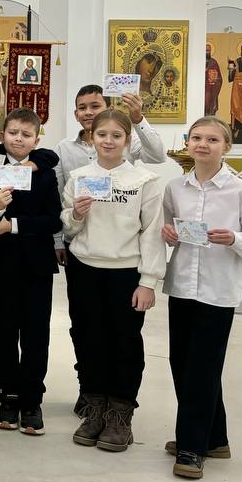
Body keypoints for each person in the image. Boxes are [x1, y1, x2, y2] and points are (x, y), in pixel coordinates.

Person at [161, 116, 242, 479]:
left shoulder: (241, 191)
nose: (202, 145)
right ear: (187, 143)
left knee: (202, 370)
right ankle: (216, 438)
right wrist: (168, 234)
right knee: (181, 363)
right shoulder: (175, 188)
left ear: (226, 147)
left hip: (218, 290)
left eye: (211, 139)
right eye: (196, 138)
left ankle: (192, 448)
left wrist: (234, 239)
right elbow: (168, 228)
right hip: (182, 286)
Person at [54, 85, 166, 412]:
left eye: (116, 136)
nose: (108, 141)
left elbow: (152, 233)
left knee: (125, 340)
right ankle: (92, 401)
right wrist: (75, 215)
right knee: (87, 336)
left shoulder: (144, 181)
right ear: (92, 138)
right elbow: (68, 224)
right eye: (101, 135)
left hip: (125, 271)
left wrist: (148, 281)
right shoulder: (79, 177)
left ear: (127, 141)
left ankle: (120, 409)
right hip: (85, 268)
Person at [0, 108, 63, 436]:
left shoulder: (44, 172)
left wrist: (12, 225)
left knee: (35, 334)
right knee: (4, 332)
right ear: (2, 135)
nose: (18, 139)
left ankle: (32, 400)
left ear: (36, 140)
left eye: (26, 135)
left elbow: (53, 219)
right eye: (13, 132)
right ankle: (10, 396)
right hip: (0, 266)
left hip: (36, 267)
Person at [205, 43, 223, 117]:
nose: (207, 52)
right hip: (201, 88)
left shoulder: (213, 62)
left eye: (208, 50)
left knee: (209, 102)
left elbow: (219, 79)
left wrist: (215, 80)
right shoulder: (198, 62)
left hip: (211, 89)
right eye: (206, 50)